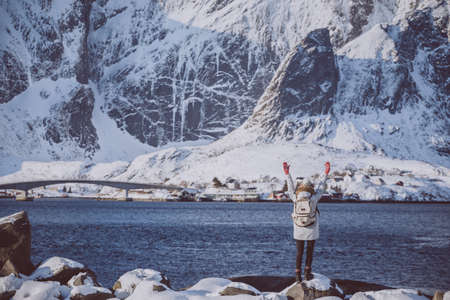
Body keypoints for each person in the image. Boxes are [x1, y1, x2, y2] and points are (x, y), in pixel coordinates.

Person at [282, 161, 330, 282]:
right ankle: (307, 273)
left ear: (301, 187)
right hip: (312, 227)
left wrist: (287, 174)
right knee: (309, 251)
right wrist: (326, 173)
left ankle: (297, 275)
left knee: (299, 252)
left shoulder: (295, 197)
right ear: (310, 188)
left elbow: (290, 187)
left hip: (298, 229)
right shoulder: (314, 198)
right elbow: (321, 186)